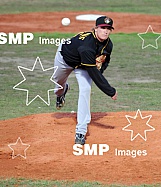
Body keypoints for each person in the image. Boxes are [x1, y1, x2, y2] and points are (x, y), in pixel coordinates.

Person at [53, 16, 117, 145]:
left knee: (85, 89)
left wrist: (100, 71)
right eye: (103, 28)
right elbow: (93, 72)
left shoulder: (108, 44)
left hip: (83, 65)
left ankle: (81, 131)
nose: (106, 31)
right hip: (65, 59)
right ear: (96, 28)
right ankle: (62, 92)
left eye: (109, 28)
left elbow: (104, 62)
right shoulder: (87, 46)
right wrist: (110, 91)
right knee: (57, 83)